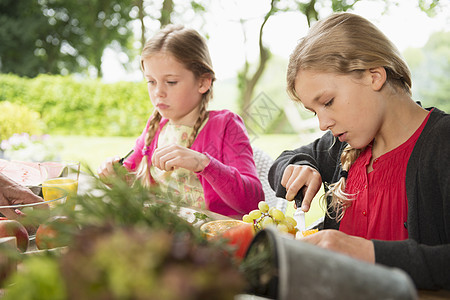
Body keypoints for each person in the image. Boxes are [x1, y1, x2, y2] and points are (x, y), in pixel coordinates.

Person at [268, 12, 450, 290]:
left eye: (327, 102)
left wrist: (368, 253)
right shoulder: (343, 145)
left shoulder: (442, 144)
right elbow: (283, 161)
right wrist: (302, 164)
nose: (322, 123)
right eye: (314, 111)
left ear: (374, 76)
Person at [98, 25, 263, 218]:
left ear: (203, 82)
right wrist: (113, 175)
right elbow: (129, 179)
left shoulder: (226, 125)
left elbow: (253, 201)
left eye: (171, 82)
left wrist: (203, 163)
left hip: (213, 239)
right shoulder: (156, 126)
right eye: (151, 81)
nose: (158, 91)